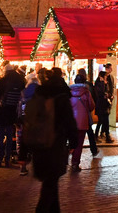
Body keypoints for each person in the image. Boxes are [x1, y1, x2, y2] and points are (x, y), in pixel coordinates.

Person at [28, 67, 77, 212]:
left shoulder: (39, 94)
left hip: (39, 144)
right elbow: (69, 121)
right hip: (55, 144)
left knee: (51, 182)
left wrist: (24, 150)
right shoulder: (62, 97)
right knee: (50, 184)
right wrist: (73, 142)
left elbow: (29, 120)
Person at [0, 65, 26, 167]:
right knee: (9, 135)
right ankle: (7, 159)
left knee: (1, 136)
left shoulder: (3, 81)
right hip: (13, 112)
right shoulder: (20, 81)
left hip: (2, 111)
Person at [69, 72, 95, 171]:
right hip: (82, 121)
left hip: (71, 121)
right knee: (79, 143)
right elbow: (91, 106)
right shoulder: (86, 92)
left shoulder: (69, 92)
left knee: (72, 141)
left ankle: (70, 160)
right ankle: (75, 163)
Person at [74, 68, 100, 156]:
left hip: (74, 117)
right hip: (85, 116)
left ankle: (74, 155)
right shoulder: (87, 89)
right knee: (89, 133)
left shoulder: (71, 91)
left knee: (75, 136)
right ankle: (94, 150)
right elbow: (92, 104)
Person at [18, 71, 39, 176]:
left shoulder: (23, 93)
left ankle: (23, 166)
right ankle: (37, 167)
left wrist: (19, 120)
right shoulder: (40, 94)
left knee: (24, 143)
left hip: (25, 121)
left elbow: (19, 108)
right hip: (37, 122)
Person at [93, 71, 111, 143]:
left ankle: (106, 136)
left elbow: (106, 92)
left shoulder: (102, 83)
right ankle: (98, 136)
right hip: (101, 105)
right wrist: (104, 84)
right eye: (105, 76)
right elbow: (100, 93)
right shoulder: (99, 83)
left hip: (103, 105)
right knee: (101, 121)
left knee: (104, 121)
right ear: (102, 77)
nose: (106, 78)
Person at [100, 63, 116, 143]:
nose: (111, 70)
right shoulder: (102, 79)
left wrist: (112, 95)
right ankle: (105, 134)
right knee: (104, 118)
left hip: (109, 99)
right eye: (110, 68)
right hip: (104, 101)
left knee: (105, 117)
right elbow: (102, 90)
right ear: (107, 69)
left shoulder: (111, 77)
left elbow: (112, 87)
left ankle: (103, 133)